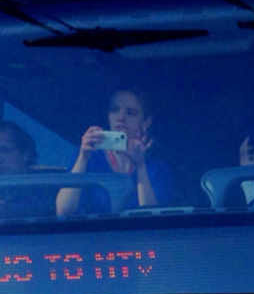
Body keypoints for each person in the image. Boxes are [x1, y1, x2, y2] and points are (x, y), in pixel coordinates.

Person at [56, 87, 176, 217]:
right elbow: (64, 212)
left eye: (130, 113)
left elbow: (153, 221)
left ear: (146, 122)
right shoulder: (88, 157)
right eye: (114, 110)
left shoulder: (157, 169)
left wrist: (141, 167)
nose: (121, 117)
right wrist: (83, 158)